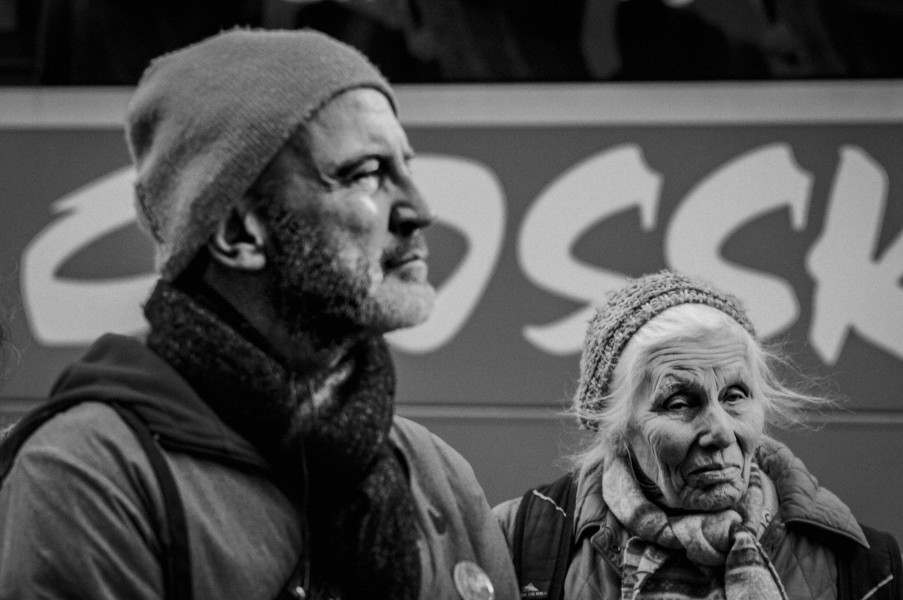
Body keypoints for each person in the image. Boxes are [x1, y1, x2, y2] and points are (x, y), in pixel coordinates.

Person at [0, 28, 518, 600]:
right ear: (240, 233)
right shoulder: (88, 473)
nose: (420, 210)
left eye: (406, 167)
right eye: (365, 173)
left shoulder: (437, 473)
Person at [494, 270, 901, 600]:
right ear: (614, 430)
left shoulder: (866, 566)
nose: (720, 431)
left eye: (735, 396)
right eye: (679, 403)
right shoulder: (520, 542)